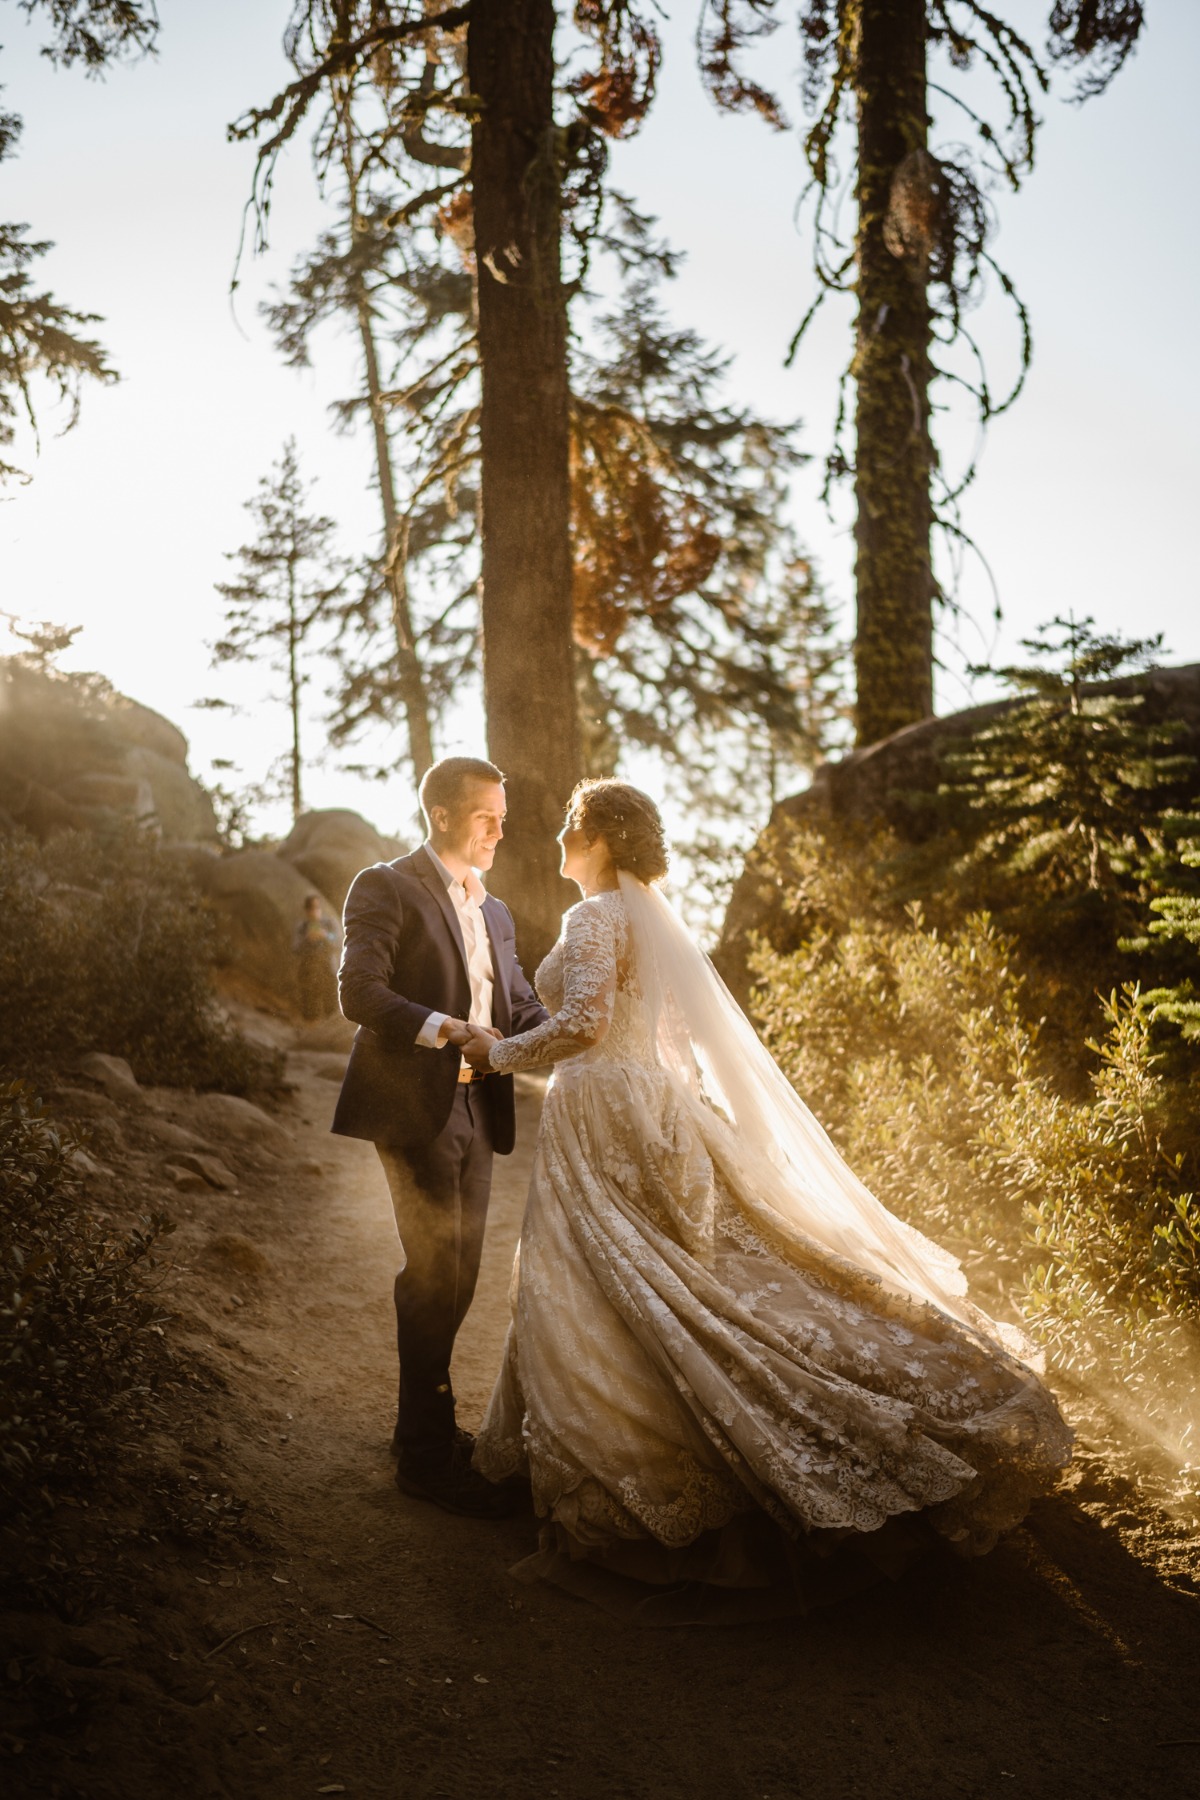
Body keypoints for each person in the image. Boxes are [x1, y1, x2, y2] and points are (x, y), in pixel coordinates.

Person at [459, 778, 1073, 1619]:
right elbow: (667, 1042)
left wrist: (496, 1054)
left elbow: (587, 1026)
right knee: (654, 1277)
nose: (558, 840)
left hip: (601, 1110)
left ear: (599, 834)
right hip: (655, 1109)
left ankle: (640, 1467)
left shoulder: (594, 917)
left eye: (570, 825)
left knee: (593, 1277)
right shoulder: (654, 919)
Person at [332, 757, 548, 1519]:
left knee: (459, 1277)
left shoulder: (497, 913)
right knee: (432, 1272)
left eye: (502, 814)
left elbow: (521, 1010)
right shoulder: (384, 884)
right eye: (486, 814)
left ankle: (418, 1427)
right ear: (445, 815)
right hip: (411, 1105)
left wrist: (595, 1038)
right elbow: (359, 991)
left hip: (479, 1113)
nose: (499, 828)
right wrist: (446, 1030)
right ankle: (424, 1458)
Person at [294, 893, 339, 1021]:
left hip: (327, 968)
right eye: (311, 908)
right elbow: (295, 947)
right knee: (309, 1004)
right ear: (306, 910)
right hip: (309, 970)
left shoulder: (329, 923)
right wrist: (307, 939)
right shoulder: (302, 927)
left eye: (316, 908)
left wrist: (325, 935)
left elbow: (338, 941)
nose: (314, 911)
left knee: (330, 1003)